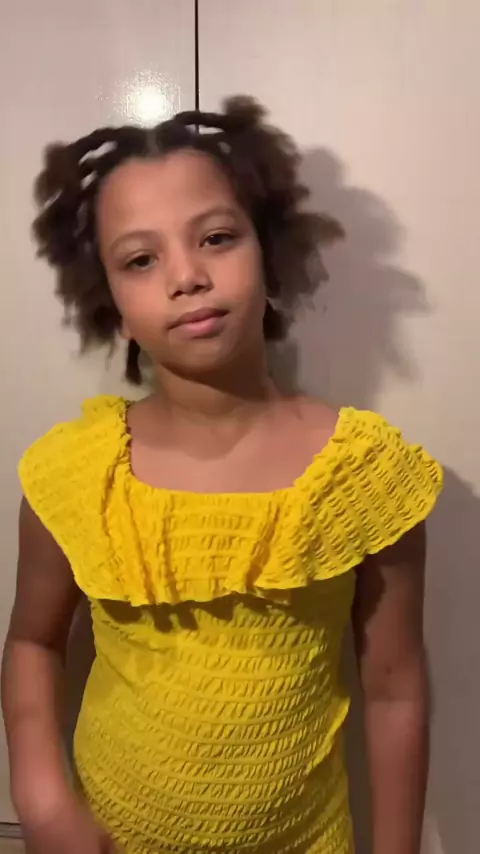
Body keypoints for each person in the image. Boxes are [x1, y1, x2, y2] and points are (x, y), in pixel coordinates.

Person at [1, 96, 442, 854]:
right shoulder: (75, 475)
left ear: (268, 252)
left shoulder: (363, 477)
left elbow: (395, 689)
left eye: (215, 237)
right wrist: (40, 797)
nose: (187, 276)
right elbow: (32, 645)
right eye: (141, 260)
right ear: (112, 303)